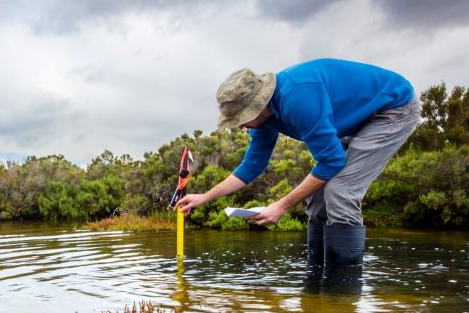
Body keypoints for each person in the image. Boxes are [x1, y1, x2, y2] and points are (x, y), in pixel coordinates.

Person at [175, 58, 420, 267]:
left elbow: (331, 162)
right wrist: (205, 196)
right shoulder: (265, 119)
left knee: (340, 191)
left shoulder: (298, 99)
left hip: (391, 109)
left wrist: (282, 206)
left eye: (244, 118)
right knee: (318, 196)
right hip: (356, 119)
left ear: (259, 105)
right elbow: (252, 165)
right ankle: (315, 281)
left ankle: (341, 292)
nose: (241, 125)